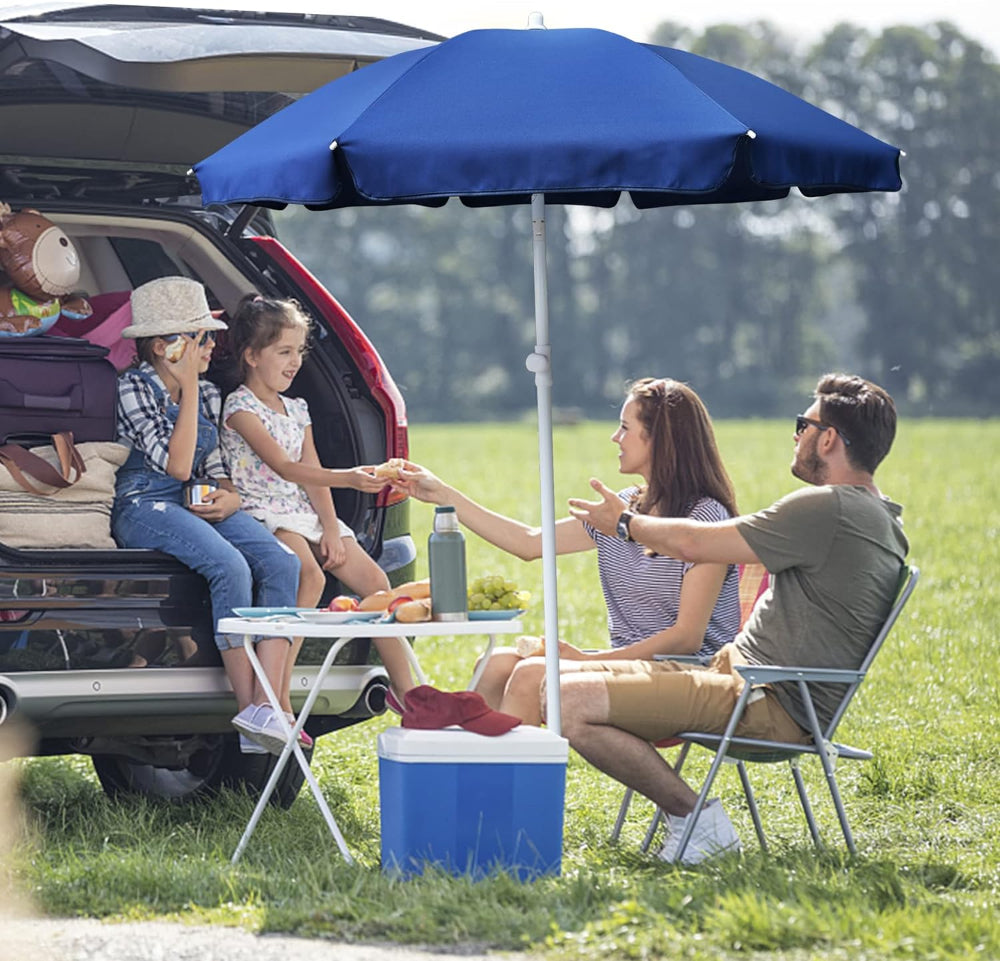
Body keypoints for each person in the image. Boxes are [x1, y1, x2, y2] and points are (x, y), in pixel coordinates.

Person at [563, 372, 908, 865]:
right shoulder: (878, 516)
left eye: (802, 424)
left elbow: (694, 544)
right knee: (550, 680)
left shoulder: (826, 509)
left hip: (762, 700)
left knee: (564, 698)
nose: (796, 436)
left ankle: (696, 818)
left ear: (828, 438)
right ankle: (692, 819)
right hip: (743, 681)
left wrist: (623, 523)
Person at [394, 377, 741, 724]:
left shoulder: (705, 519)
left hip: (691, 675)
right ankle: (472, 770)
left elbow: (686, 639)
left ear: (661, 440)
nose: (615, 438)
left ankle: (518, 777)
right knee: (497, 663)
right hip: (628, 665)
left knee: (532, 675)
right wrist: (444, 495)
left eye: (624, 427)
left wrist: (588, 661)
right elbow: (529, 542)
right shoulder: (622, 509)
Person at [112, 276, 302, 756]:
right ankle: (249, 710)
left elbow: (213, 467)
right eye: (200, 338)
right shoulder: (133, 387)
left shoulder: (213, 394)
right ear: (163, 346)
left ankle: (269, 703)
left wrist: (231, 496)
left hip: (197, 496)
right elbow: (174, 464)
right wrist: (191, 389)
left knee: (283, 564)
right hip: (143, 501)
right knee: (230, 567)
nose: (211, 346)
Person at [219, 293, 417, 712]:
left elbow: (312, 471)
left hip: (303, 512)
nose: (295, 362)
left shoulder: (297, 408)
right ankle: (278, 697)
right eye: (284, 351)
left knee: (377, 585)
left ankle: (410, 693)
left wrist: (330, 527)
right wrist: (349, 477)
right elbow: (285, 467)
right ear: (252, 356)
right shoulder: (239, 407)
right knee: (307, 575)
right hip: (263, 512)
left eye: (299, 351)